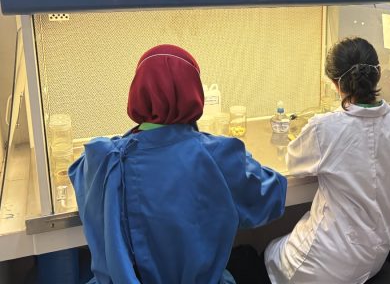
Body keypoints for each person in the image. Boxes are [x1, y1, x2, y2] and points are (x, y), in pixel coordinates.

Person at [69, 44, 287, 284]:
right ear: (194, 94)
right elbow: (271, 198)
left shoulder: (102, 159)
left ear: (137, 92)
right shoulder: (218, 155)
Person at [264, 37, 390, 283]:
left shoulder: (324, 127)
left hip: (322, 264)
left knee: (270, 251)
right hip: (373, 260)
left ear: (334, 83)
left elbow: (293, 164)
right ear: (378, 74)